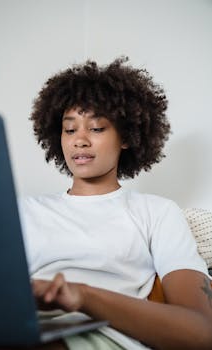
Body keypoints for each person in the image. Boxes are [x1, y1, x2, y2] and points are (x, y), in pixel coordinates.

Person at [19, 57, 212, 350]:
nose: (79, 141)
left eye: (96, 128)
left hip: (101, 338)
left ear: (126, 136)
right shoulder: (23, 211)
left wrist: (83, 296)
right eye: (70, 130)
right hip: (22, 330)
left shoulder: (157, 212)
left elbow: (200, 332)